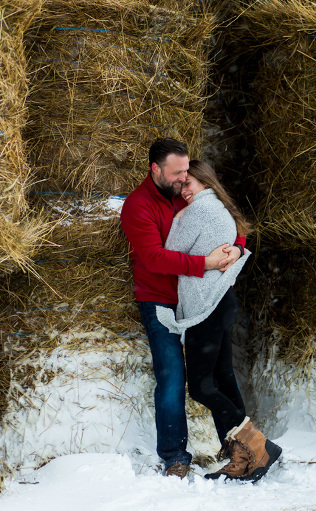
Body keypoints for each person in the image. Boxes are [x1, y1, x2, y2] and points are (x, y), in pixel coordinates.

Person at [120, 138, 244, 479]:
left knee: (220, 375)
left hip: (201, 299)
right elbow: (154, 258)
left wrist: (236, 247)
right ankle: (175, 456)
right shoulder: (137, 206)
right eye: (177, 173)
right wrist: (205, 262)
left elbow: (225, 221)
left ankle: (241, 450)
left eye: (186, 172)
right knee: (173, 375)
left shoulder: (187, 193)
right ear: (155, 169)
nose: (183, 179)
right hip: (159, 300)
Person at [156, 160, 281, 482]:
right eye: (179, 184)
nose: (183, 190)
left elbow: (169, 254)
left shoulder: (198, 211)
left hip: (207, 307)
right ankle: (244, 454)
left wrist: (178, 218)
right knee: (223, 378)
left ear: (204, 182)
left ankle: (258, 445)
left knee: (201, 387)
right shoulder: (219, 208)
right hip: (220, 302)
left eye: (188, 183)